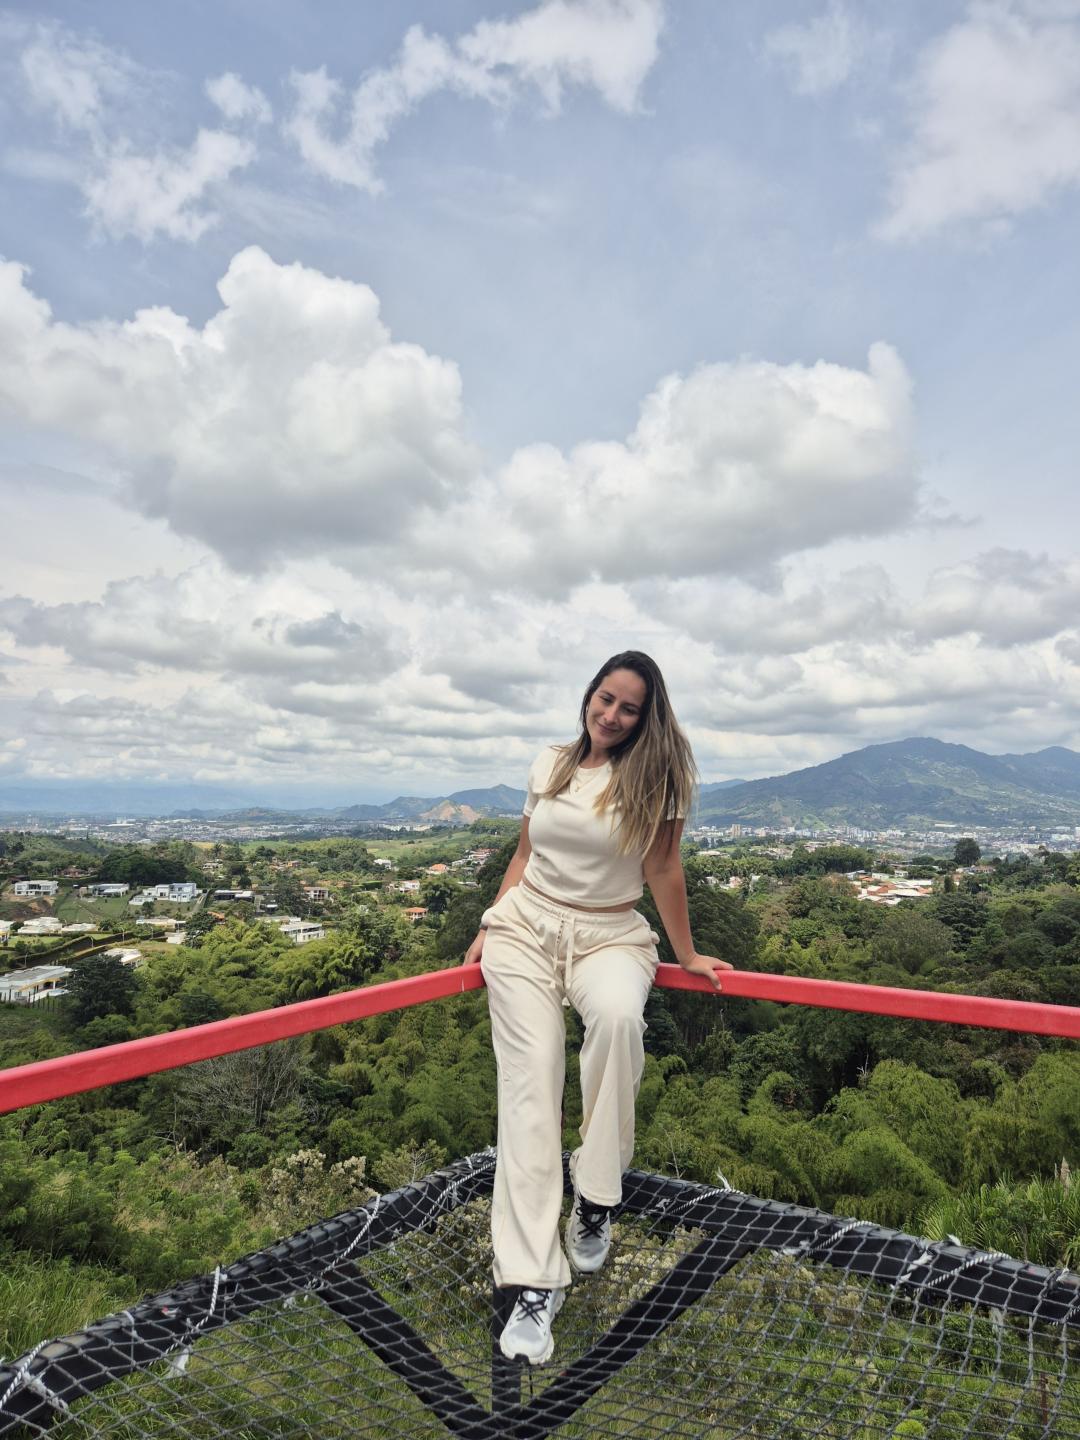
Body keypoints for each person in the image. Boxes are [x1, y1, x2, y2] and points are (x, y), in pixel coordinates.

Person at [464, 650, 733, 1365]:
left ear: (647, 717)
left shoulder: (656, 777)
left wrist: (687, 954)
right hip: (525, 929)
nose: (610, 715)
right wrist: (490, 919)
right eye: (604, 699)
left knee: (617, 1023)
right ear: (588, 695)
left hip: (610, 932)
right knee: (531, 1081)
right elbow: (524, 853)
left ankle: (596, 1192)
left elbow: (663, 867)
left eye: (628, 707)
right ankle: (532, 1279)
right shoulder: (551, 763)